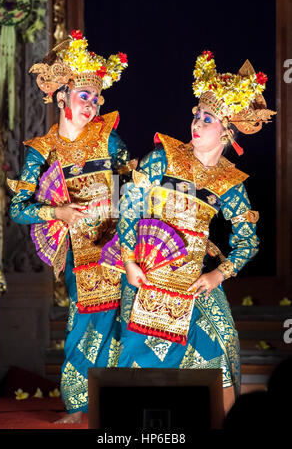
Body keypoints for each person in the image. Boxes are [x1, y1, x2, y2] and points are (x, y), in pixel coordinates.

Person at [116, 50, 275, 415]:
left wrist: (218, 273)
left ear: (227, 133)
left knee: (222, 345)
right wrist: (128, 260)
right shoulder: (163, 158)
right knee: (138, 354)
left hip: (193, 280)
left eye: (208, 119)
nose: (197, 123)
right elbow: (127, 207)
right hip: (145, 273)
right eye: (197, 116)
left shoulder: (231, 184)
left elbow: (248, 240)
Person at [8, 30, 131, 423]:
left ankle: (116, 401)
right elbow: (18, 208)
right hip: (82, 251)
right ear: (61, 97)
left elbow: (137, 185)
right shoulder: (42, 151)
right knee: (86, 324)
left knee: (123, 324)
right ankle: (79, 406)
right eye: (83, 96)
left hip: (121, 245)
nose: (91, 105)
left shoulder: (110, 140)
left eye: (96, 97)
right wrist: (57, 213)